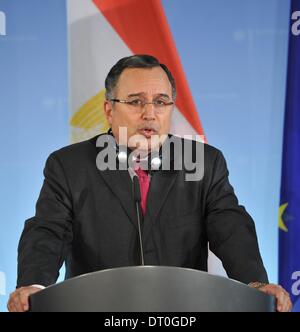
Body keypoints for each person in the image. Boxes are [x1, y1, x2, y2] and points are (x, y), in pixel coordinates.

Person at [8, 55, 292, 312]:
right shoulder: (70, 165)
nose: (149, 113)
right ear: (109, 110)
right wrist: (34, 285)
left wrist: (255, 283)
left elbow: (230, 227)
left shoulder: (203, 161)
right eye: (135, 101)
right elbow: (48, 231)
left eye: (160, 101)